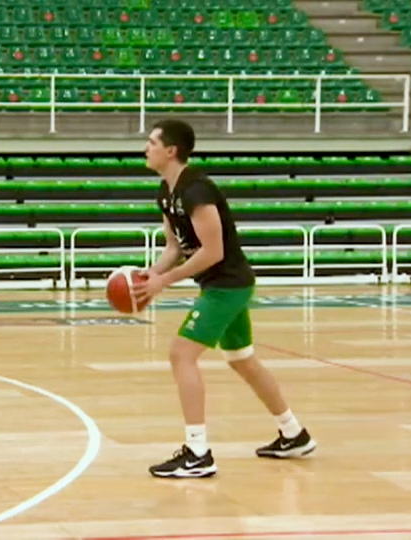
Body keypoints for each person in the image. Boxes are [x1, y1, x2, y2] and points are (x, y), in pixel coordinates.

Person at [131, 119, 316, 479]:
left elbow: (212, 251)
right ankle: (294, 433)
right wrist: (152, 274)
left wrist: (165, 282)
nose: (146, 148)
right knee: (242, 359)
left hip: (226, 284)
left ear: (171, 151)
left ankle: (198, 452)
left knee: (181, 353)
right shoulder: (165, 192)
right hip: (219, 285)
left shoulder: (196, 190)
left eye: (152, 142)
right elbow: (175, 246)